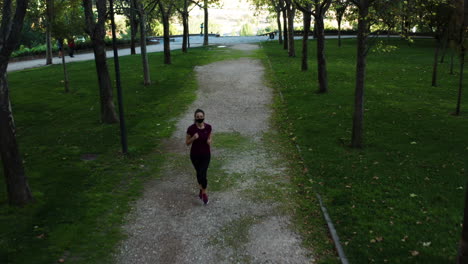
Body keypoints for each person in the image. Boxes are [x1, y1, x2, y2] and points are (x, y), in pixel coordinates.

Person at [186, 109, 212, 205]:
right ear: (195, 118)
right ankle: (201, 190)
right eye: (198, 117)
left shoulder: (208, 127)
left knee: (203, 173)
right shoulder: (191, 129)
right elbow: (187, 143)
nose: (200, 118)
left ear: (204, 117)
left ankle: (204, 193)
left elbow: (210, 137)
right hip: (195, 155)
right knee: (199, 173)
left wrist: (209, 141)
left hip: (206, 155)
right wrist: (193, 138)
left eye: (201, 117)